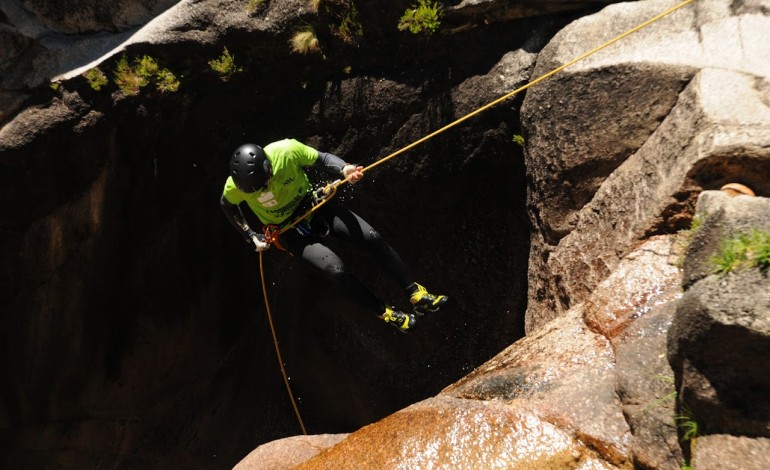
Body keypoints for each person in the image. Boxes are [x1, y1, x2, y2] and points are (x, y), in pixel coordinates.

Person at [220, 138, 448, 332]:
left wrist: (344, 169)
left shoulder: (287, 151)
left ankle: (415, 294)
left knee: (371, 238)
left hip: (315, 206)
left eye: (263, 184)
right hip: (289, 232)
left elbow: (322, 159)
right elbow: (227, 206)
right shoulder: (235, 187)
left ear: (268, 167)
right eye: (255, 190)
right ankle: (387, 313)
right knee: (336, 270)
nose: (263, 190)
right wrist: (250, 236)